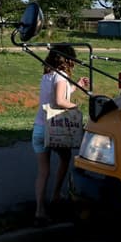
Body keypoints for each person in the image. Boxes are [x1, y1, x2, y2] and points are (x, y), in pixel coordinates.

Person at [32, 45, 89, 225]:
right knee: (65, 158)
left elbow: (58, 93)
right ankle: (56, 195)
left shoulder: (47, 76)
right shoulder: (61, 76)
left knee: (43, 172)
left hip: (39, 129)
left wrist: (76, 87)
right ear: (68, 60)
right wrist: (75, 108)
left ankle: (39, 210)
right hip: (55, 129)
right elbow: (59, 101)